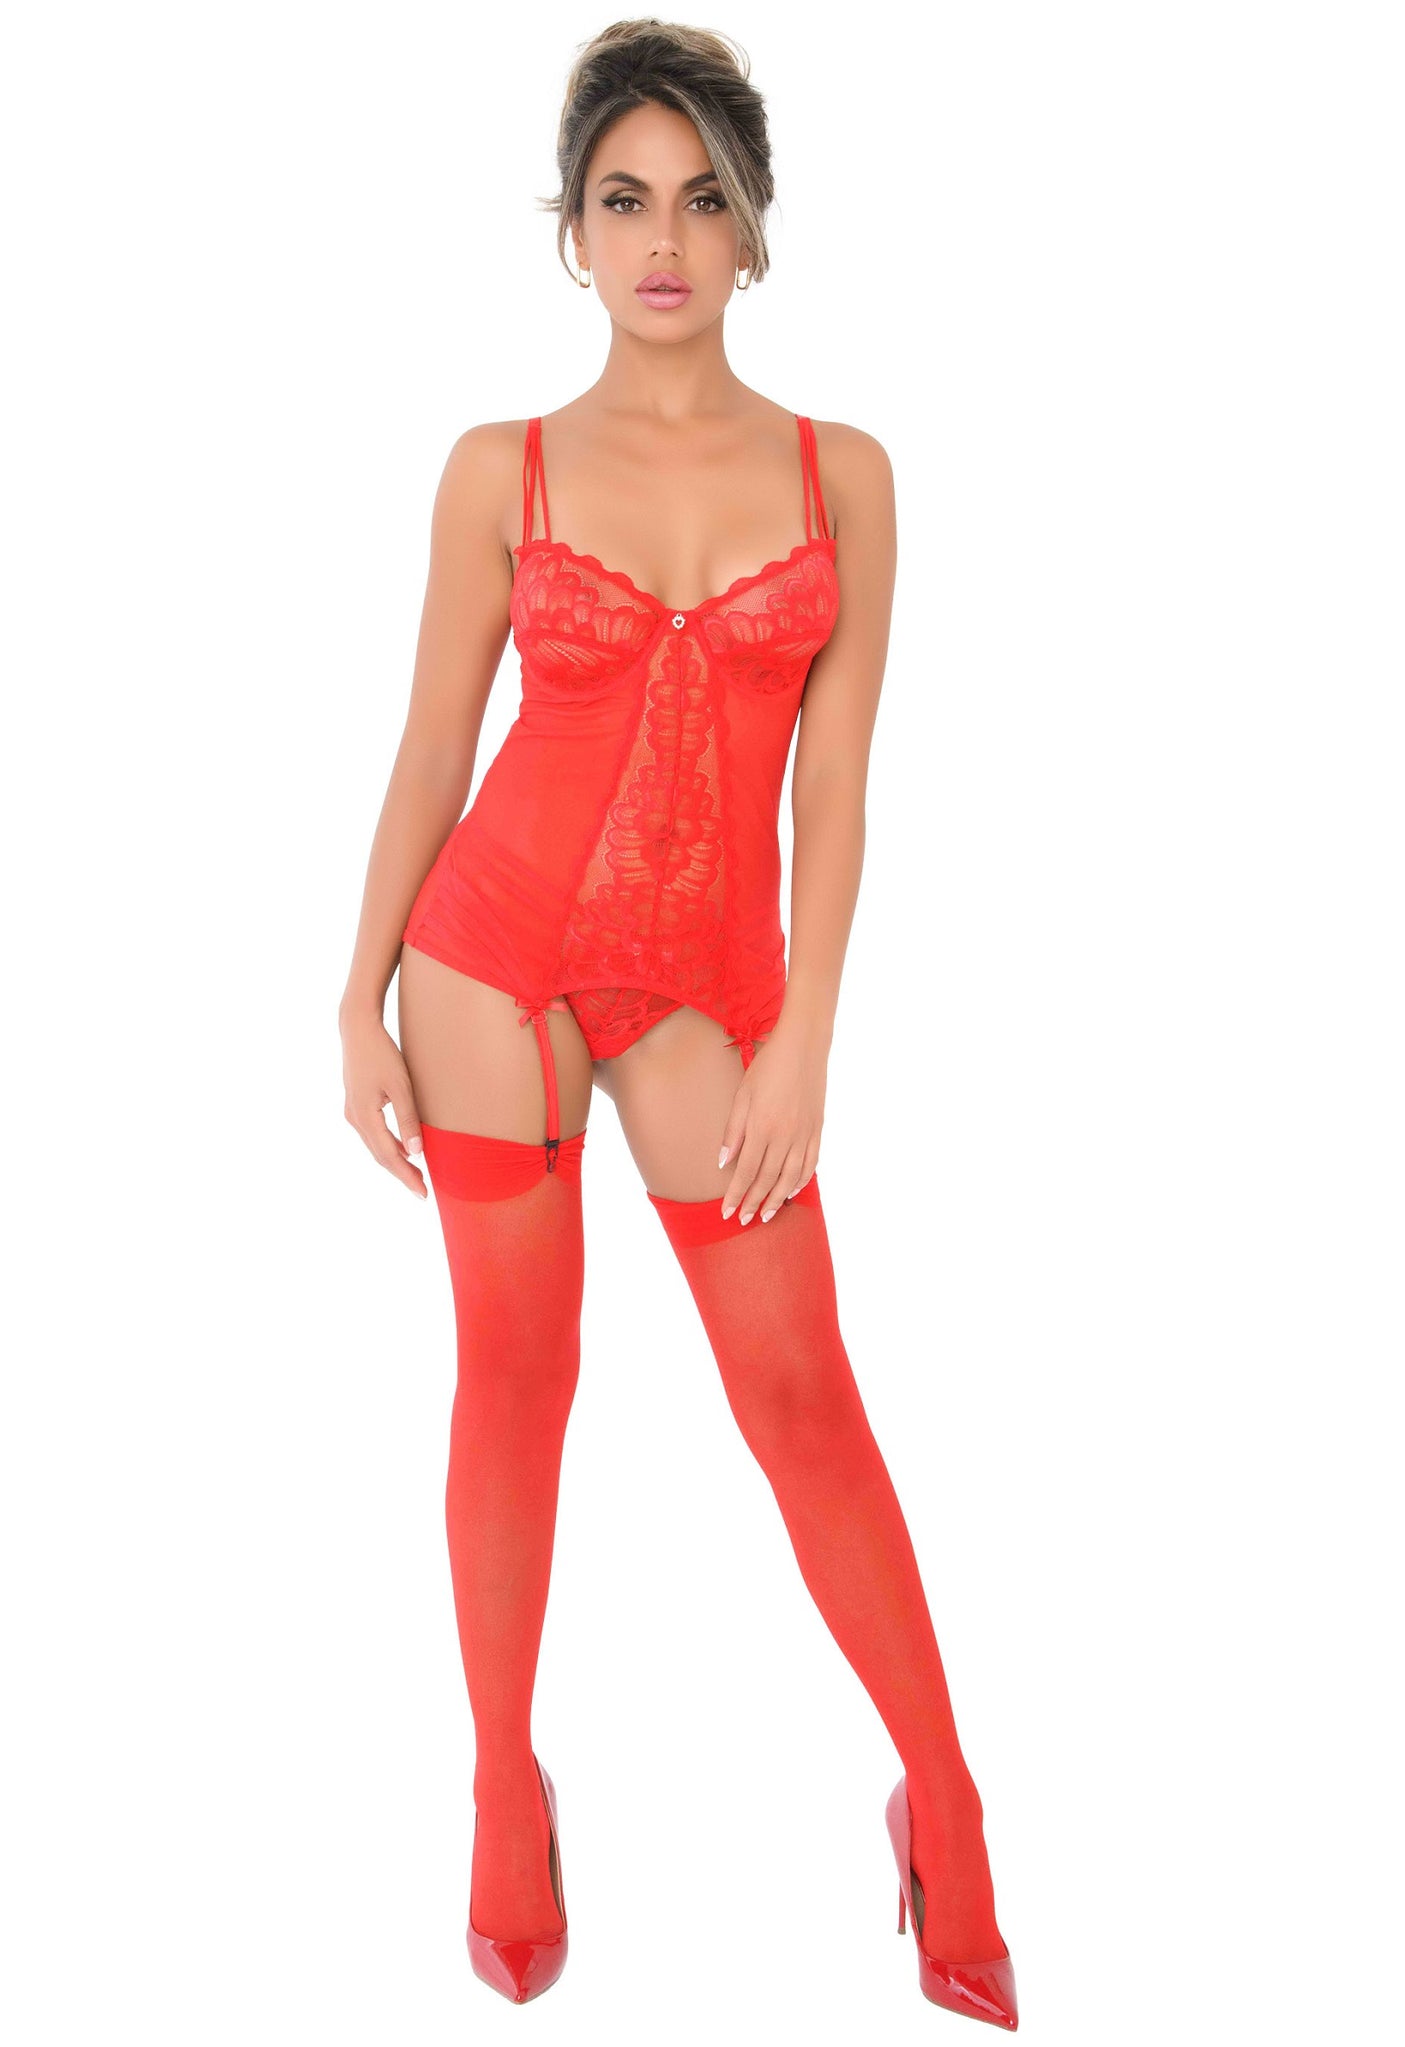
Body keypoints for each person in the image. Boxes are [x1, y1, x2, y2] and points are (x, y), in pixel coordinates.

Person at [338, 20, 1017, 2027]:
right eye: (624, 200)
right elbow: (430, 746)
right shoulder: (501, 468)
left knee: (801, 1397)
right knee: (514, 1389)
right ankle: (502, 1786)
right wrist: (354, 995)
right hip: (486, 965)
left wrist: (808, 1038)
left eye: (702, 200)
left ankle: (946, 1792)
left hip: (710, 993)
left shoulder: (842, 476)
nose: (663, 240)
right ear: (572, 229)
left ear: (754, 227)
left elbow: (838, 794)